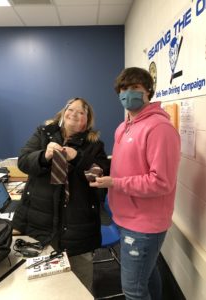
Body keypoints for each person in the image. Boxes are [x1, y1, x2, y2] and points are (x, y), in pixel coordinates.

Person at [90, 67, 181, 300]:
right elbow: (127, 166)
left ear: (148, 91)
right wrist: (104, 171)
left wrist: (116, 183)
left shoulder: (160, 128)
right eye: (123, 89)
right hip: (124, 216)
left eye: (135, 88)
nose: (128, 93)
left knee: (133, 290)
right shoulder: (124, 126)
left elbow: (162, 182)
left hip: (144, 224)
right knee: (146, 277)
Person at [12, 97, 110, 291]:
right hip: (39, 220)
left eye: (80, 112)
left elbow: (98, 177)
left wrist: (78, 157)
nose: (74, 113)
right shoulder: (43, 133)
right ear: (63, 113)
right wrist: (44, 155)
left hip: (78, 225)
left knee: (80, 283)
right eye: (70, 109)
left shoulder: (94, 144)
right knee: (42, 285)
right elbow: (23, 162)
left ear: (87, 120)